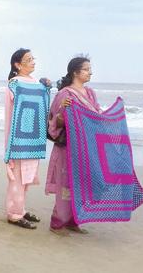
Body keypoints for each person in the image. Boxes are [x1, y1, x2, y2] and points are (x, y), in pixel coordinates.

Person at [46, 56, 98, 235]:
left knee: (80, 184)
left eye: (90, 69)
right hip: (67, 147)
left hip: (85, 147)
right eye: (86, 69)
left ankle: (73, 221)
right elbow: (54, 122)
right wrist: (65, 110)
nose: (90, 72)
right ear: (75, 72)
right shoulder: (65, 94)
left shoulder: (90, 93)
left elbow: (95, 117)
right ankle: (57, 223)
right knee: (65, 185)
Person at [4, 48, 49, 229]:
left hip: (33, 137)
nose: (33, 62)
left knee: (27, 177)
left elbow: (44, 102)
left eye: (33, 58)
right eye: (28, 59)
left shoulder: (36, 82)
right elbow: (10, 113)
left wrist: (47, 87)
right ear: (17, 64)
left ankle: (21, 209)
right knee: (17, 178)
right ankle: (13, 214)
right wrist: (9, 143)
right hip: (19, 138)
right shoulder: (14, 84)